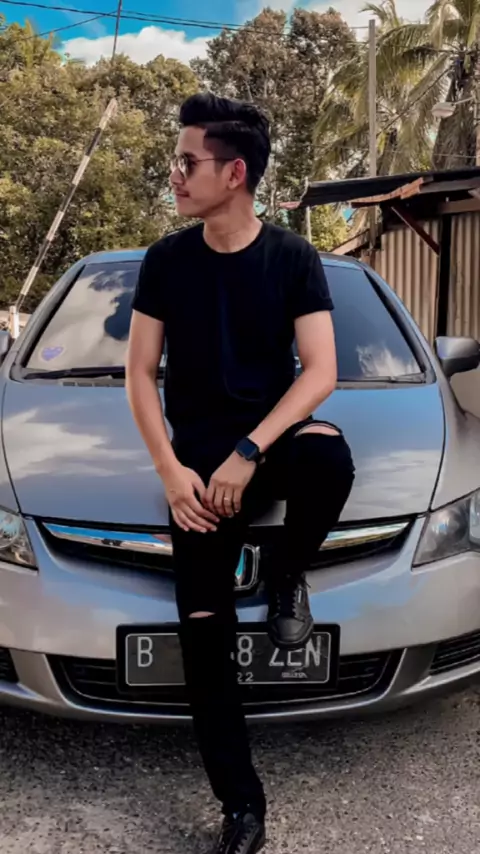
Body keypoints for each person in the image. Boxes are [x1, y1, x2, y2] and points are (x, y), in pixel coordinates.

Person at [126, 92, 355, 854]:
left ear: (234, 174)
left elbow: (320, 371)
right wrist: (171, 471)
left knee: (328, 454)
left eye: (186, 162)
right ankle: (242, 807)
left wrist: (249, 451)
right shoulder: (166, 261)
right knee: (205, 638)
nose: (174, 174)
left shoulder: (292, 258)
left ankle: (287, 570)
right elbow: (140, 374)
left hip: (265, 444)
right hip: (195, 472)